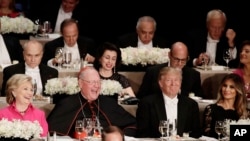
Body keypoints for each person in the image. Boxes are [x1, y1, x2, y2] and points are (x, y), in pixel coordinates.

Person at [47, 66, 137, 137]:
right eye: (92, 82)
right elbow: (52, 130)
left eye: (98, 82)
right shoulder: (66, 104)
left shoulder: (109, 103)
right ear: (81, 84)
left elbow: (131, 125)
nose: (96, 86)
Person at [136, 67, 202, 138]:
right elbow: (142, 133)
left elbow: (196, 132)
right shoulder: (147, 103)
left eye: (176, 80)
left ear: (180, 83)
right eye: (168, 80)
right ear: (160, 83)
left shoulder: (191, 104)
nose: (173, 84)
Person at [137, 41, 204, 99]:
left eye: (183, 60)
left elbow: (200, 98)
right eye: (176, 59)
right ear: (169, 55)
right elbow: (141, 96)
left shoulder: (194, 75)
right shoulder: (153, 72)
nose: (179, 63)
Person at [202, 73, 249, 139]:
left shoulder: (246, 112)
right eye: (225, 86)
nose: (227, 89)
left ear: (238, 90)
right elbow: (206, 135)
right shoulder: (211, 110)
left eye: (232, 87)